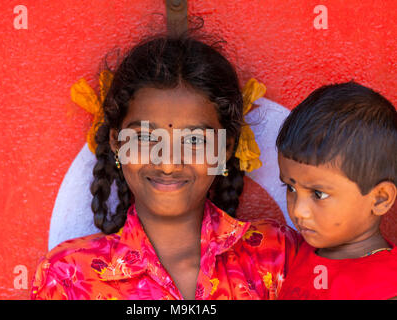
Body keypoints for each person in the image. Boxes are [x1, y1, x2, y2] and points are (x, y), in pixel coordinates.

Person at [30, 32, 302, 300]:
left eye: (194, 139)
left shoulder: (276, 256)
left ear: (225, 148)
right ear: (117, 143)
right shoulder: (68, 277)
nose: (169, 163)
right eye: (146, 138)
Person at [275, 81, 397, 300]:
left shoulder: (387, 286)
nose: (299, 211)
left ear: (380, 199)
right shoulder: (295, 254)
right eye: (291, 187)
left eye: (318, 194)